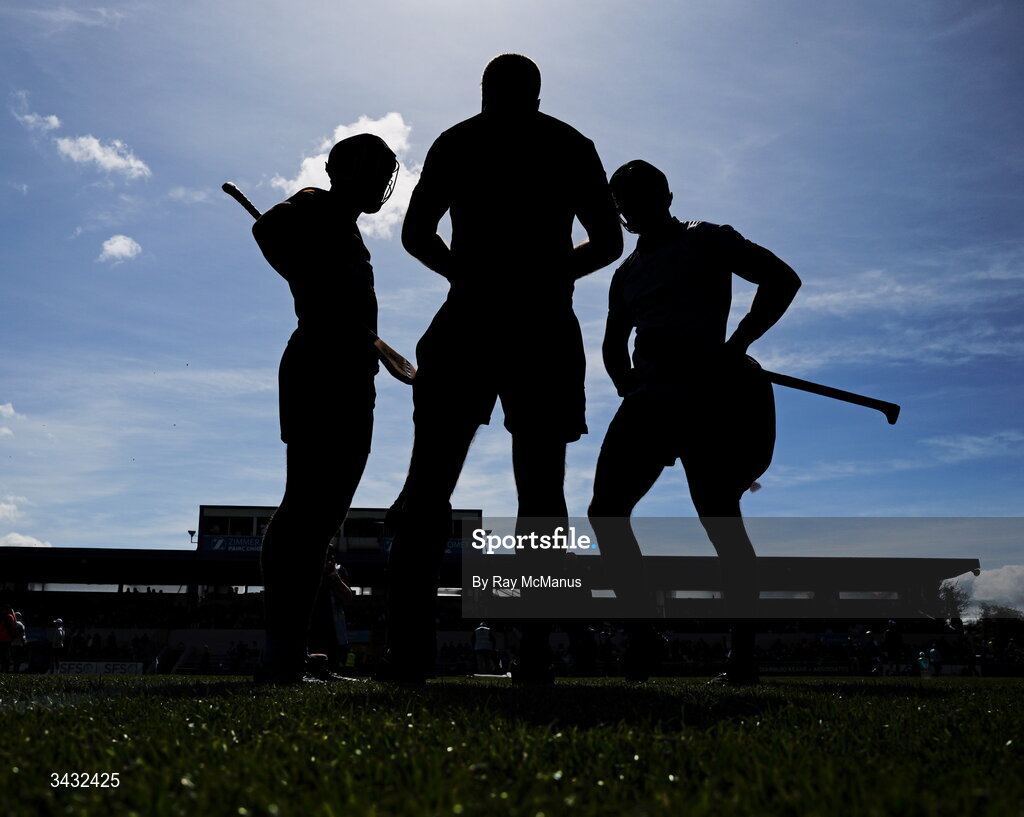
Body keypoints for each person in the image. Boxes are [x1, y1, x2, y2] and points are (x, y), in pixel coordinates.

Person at [379, 54, 622, 683]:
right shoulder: (559, 142)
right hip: (519, 323)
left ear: (489, 92)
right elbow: (607, 241)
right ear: (534, 95)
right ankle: (528, 654)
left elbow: (416, 234)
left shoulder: (468, 139)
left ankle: (416, 654)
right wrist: (534, 276)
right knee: (530, 492)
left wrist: (481, 275)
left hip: (496, 320)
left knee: (442, 486)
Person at [587, 160, 801, 684]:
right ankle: (642, 637)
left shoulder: (706, 238)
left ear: (664, 194)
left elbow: (781, 278)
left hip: (708, 398)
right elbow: (614, 344)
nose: (633, 207)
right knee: (606, 512)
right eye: (625, 200)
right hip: (649, 401)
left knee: (720, 519)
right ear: (620, 209)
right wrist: (628, 385)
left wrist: (738, 343)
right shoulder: (626, 273)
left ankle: (743, 658)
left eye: (641, 195)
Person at [253, 133, 400, 684]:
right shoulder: (316, 203)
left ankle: (291, 650)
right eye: (376, 170)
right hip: (319, 365)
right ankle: (281, 653)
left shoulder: (350, 229)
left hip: (350, 374)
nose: (382, 183)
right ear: (350, 170)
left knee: (322, 516)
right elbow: (266, 228)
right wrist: (303, 272)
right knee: (305, 510)